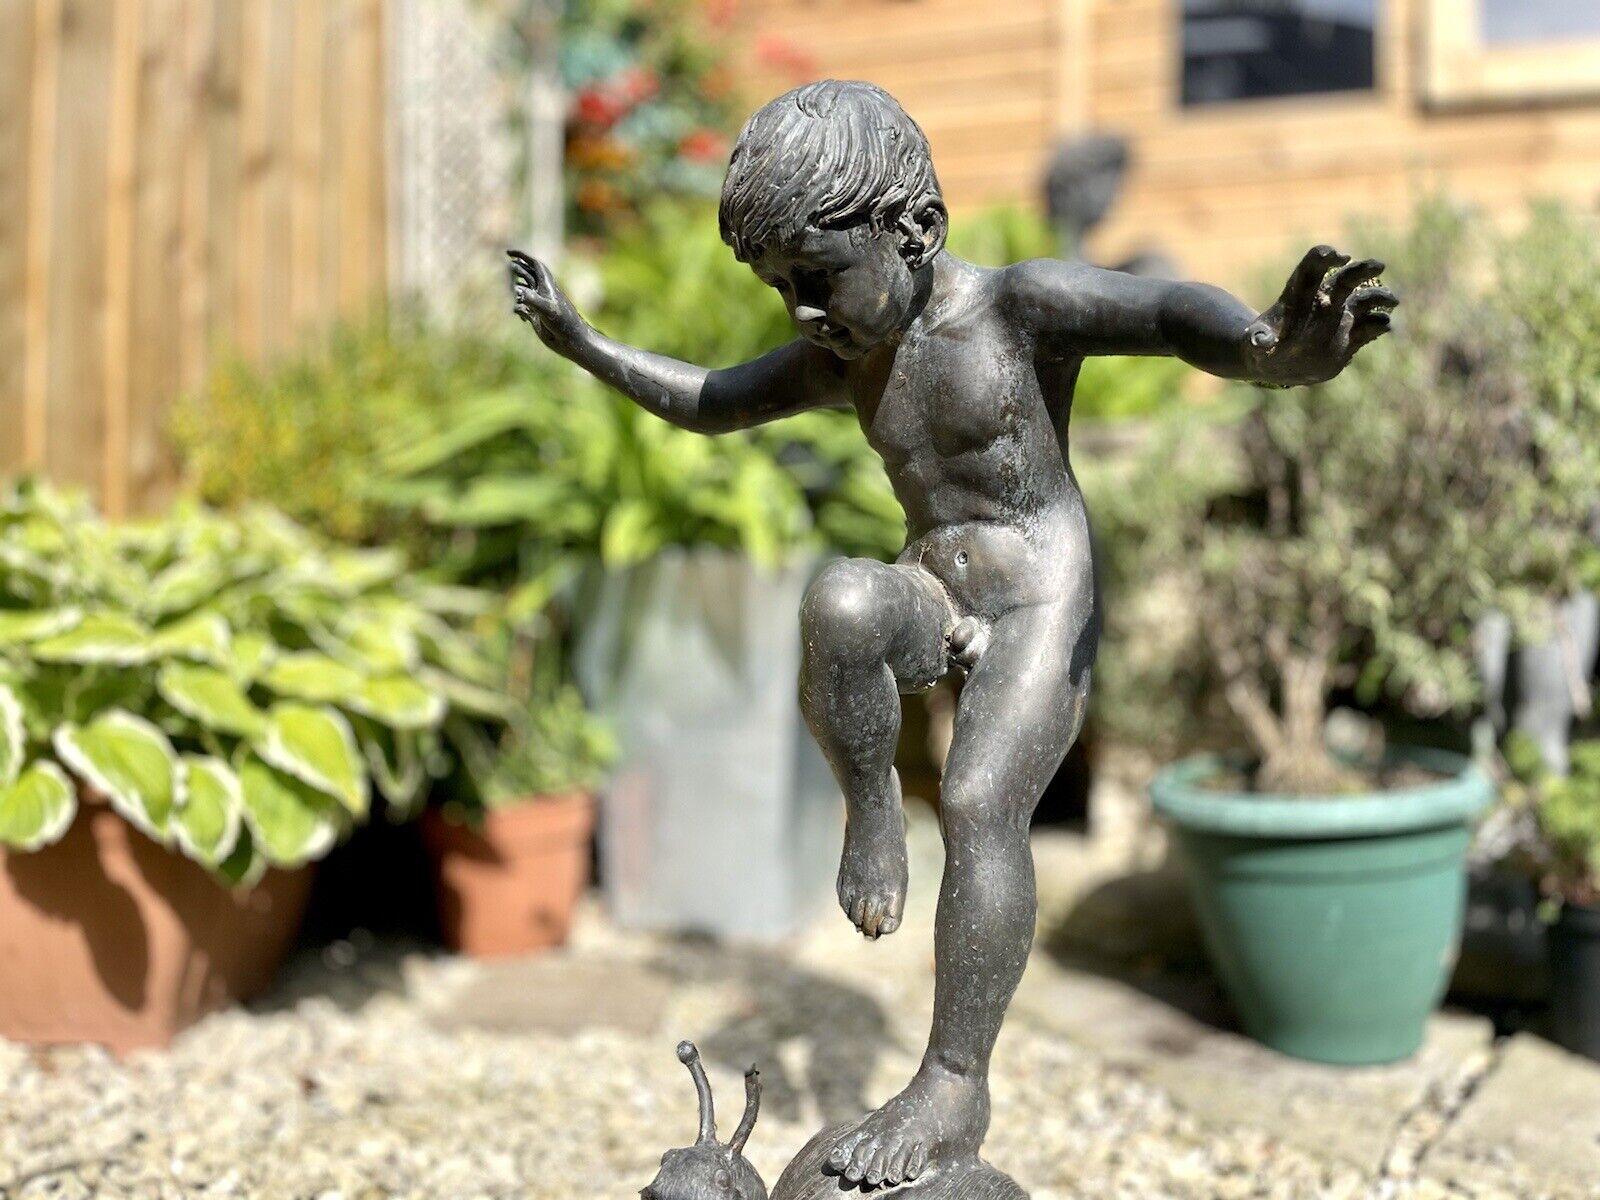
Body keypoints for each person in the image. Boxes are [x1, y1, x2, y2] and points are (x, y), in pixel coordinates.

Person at [508, 80, 1394, 1190]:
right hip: (936, 589)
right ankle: (873, 814)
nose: (800, 314)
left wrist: (1266, 348)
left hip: (1037, 595)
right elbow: (709, 401)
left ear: (914, 231)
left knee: (980, 802)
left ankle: (952, 1082)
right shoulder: (845, 359)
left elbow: (1166, 314)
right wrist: (582, 343)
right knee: (839, 601)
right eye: (780, 288)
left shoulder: (1020, 308)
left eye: (817, 279)